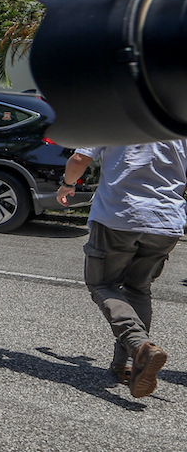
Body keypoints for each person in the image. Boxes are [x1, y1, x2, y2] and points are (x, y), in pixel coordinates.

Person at [57, 141, 187, 398]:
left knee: (102, 284)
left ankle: (139, 346)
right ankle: (126, 365)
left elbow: (79, 160)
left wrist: (68, 184)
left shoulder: (112, 114)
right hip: (167, 221)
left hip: (119, 216)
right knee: (138, 289)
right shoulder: (176, 121)